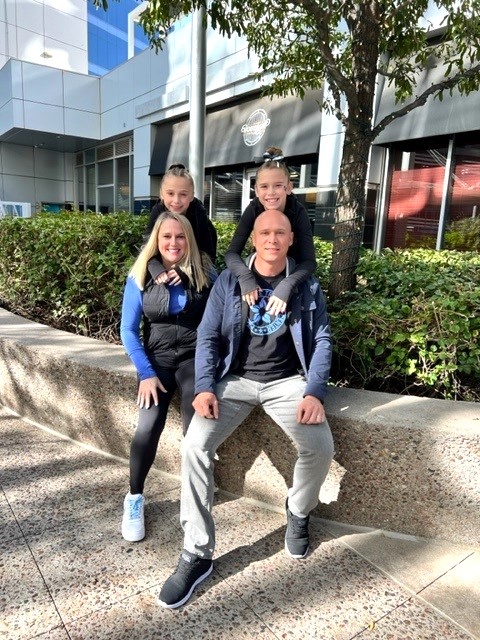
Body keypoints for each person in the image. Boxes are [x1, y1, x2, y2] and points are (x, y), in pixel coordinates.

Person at [158, 209, 334, 609]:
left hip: (288, 382)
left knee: (321, 447)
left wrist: (314, 392)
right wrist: (204, 386)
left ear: (291, 239)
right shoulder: (230, 280)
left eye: (280, 233)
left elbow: (322, 340)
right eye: (264, 232)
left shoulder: (306, 285)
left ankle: (298, 509)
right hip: (233, 380)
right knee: (194, 446)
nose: (272, 239)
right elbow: (207, 336)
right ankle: (197, 552)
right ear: (253, 238)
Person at [120, 211, 216, 543]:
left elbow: (218, 324)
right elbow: (128, 330)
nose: (173, 243)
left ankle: (194, 500)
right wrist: (145, 373)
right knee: (148, 426)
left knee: (196, 431)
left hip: (194, 359)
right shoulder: (140, 276)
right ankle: (134, 497)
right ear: (156, 241)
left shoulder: (204, 274)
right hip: (156, 361)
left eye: (180, 237)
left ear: (188, 239)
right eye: (166, 237)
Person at [224, 146, 316, 316]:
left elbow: (309, 261)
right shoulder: (252, 209)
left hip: (290, 273)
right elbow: (231, 253)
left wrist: (289, 283)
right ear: (256, 190)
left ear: (289, 187)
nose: (271, 193)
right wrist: (245, 276)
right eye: (264, 187)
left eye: (278, 186)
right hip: (260, 273)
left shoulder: (299, 212)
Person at [145, 163, 217, 287]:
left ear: (192, 195)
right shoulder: (157, 210)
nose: (176, 201)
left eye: (183, 194)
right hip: (165, 258)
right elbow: (146, 247)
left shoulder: (198, 212)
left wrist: (187, 270)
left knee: (213, 276)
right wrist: (154, 266)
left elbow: (207, 254)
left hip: (196, 261)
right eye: (170, 194)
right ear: (162, 194)